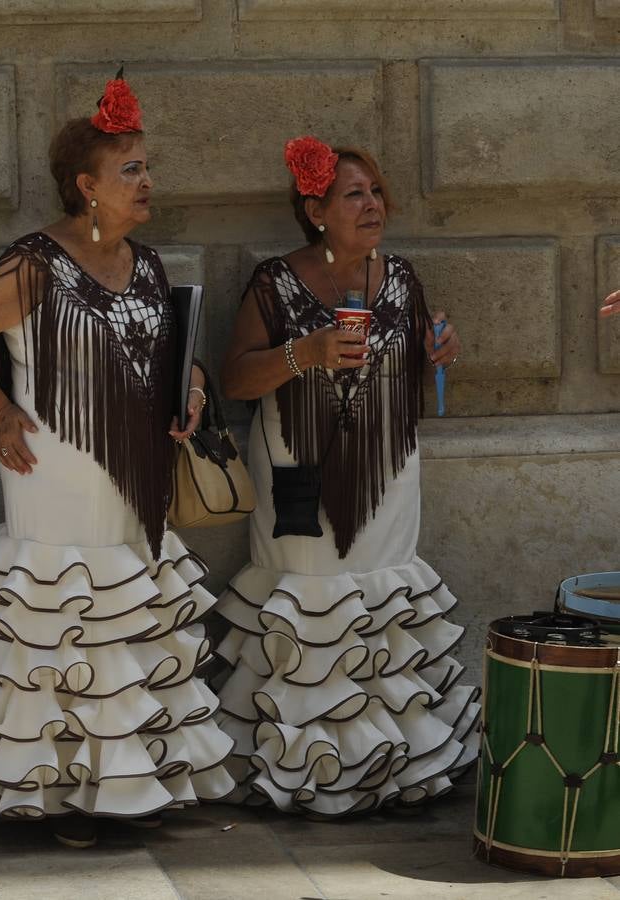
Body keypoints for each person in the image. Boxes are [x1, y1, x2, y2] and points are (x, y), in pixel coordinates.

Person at [0, 70, 235, 849]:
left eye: (145, 167)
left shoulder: (149, 264)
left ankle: (125, 786)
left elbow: (179, 359)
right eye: (130, 170)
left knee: (126, 618)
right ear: (85, 186)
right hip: (54, 469)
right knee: (65, 620)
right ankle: (59, 794)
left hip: (136, 474)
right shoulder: (34, 263)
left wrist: (192, 391)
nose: (146, 182)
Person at [212, 136, 478, 817]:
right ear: (315, 210)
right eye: (353, 194)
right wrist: (304, 352)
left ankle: (386, 770)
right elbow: (237, 378)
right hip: (300, 476)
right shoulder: (275, 282)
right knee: (312, 607)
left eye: (376, 192)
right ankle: (310, 774)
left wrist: (437, 343)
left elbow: (416, 355)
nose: (372, 205)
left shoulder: (401, 278)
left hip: (387, 478)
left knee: (379, 612)